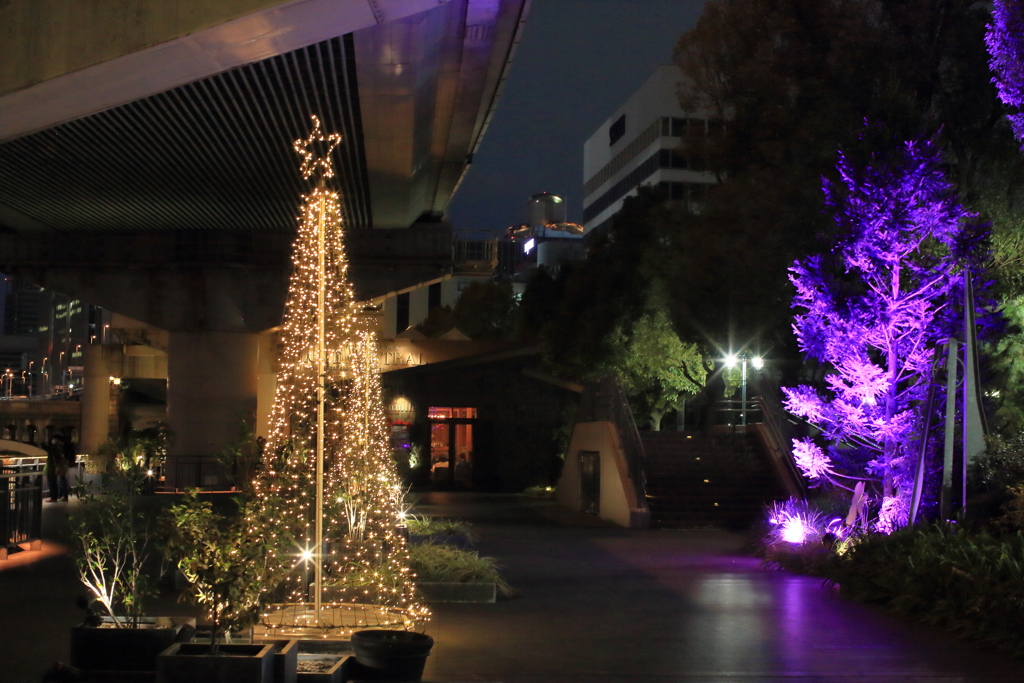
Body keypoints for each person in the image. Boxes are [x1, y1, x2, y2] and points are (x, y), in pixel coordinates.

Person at [45, 436, 68, 502]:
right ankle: (60, 496)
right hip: (59, 466)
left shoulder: (54, 447)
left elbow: (55, 458)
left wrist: (56, 467)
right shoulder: (61, 446)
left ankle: (55, 497)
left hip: (54, 467)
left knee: (54, 482)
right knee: (58, 480)